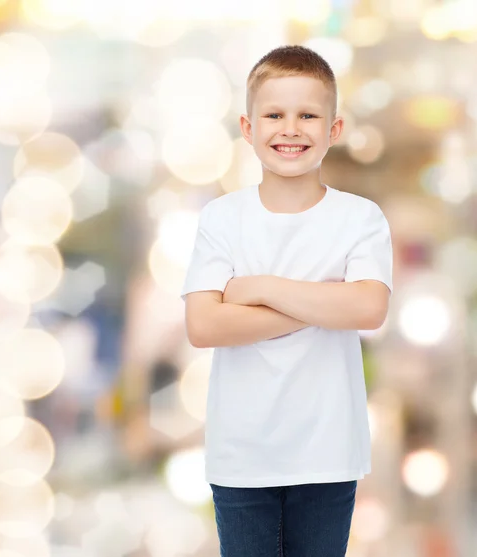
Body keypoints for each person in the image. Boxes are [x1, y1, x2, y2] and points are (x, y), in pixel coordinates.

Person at [181, 45, 393, 557]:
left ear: (334, 129)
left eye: (308, 115)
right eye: (274, 115)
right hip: (240, 454)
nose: (290, 129)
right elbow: (204, 325)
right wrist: (322, 304)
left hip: (328, 452)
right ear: (248, 127)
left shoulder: (360, 219)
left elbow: (367, 309)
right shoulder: (222, 218)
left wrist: (259, 290)